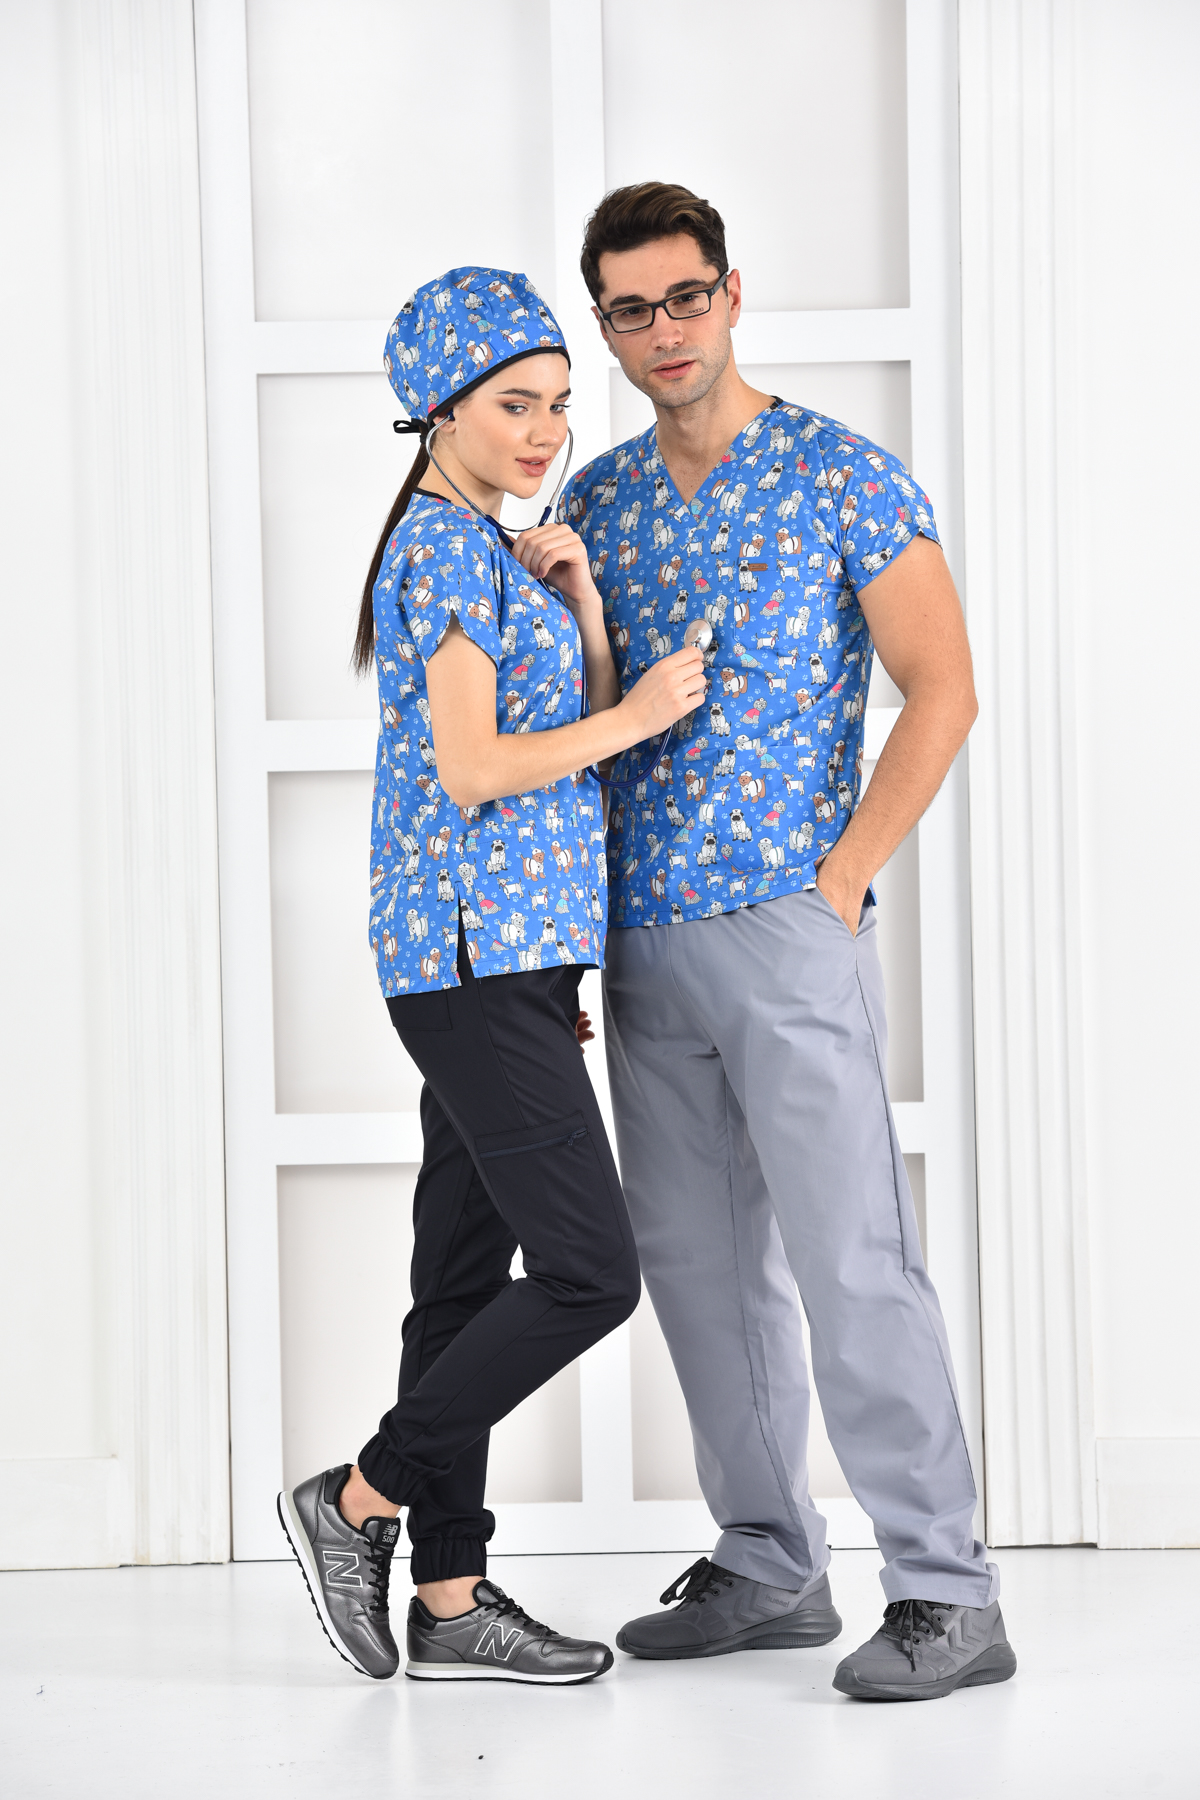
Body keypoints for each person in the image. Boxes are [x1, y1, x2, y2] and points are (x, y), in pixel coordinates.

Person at [560, 185, 1017, 1702]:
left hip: (786, 922)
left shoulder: (840, 475)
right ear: (607, 326)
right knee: (697, 1273)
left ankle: (946, 1592)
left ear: (733, 294)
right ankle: (769, 1563)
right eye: (632, 309)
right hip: (642, 938)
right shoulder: (602, 504)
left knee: (850, 1261)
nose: (664, 330)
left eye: (685, 297)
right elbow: (585, 729)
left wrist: (843, 880)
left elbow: (942, 688)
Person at [277, 266, 705, 1686]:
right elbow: (474, 770)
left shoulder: (492, 549)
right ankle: (359, 1499)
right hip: (469, 958)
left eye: (560, 406)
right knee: (590, 1272)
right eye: (515, 405)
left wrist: (580, 604)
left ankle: (452, 1601)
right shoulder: (445, 552)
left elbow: (547, 733)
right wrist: (640, 711)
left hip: (506, 961)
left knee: (460, 1282)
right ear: (440, 408)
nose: (545, 433)